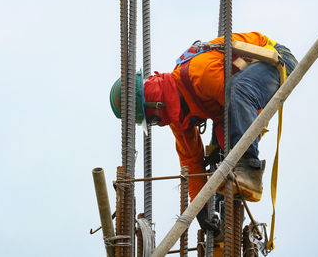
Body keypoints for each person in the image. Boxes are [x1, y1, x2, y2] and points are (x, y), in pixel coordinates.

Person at [110, 32, 298, 234]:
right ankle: (223, 229)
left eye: (153, 119)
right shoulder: (179, 119)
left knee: (236, 93)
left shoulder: (199, 74)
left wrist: (238, 152)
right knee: (219, 170)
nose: (159, 124)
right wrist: (200, 208)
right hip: (240, 95)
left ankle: (250, 169)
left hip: (275, 60)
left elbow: (249, 108)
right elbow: (192, 163)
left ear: (155, 104)